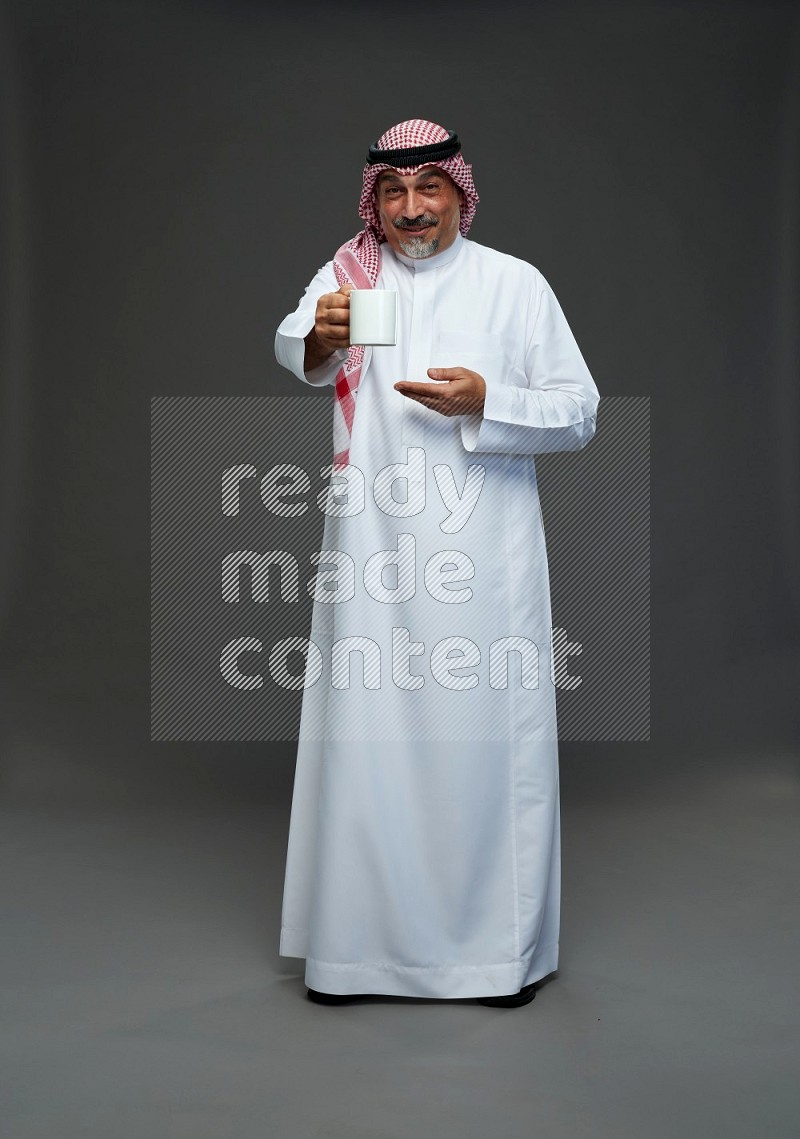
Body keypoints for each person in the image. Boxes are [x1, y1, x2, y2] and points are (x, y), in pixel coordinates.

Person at [274, 119, 600, 1008]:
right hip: (372, 556)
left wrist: (486, 400)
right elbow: (297, 347)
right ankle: (356, 956)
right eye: (394, 191)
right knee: (368, 744)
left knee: (485, 753)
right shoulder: (350, 277)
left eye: (430, 189)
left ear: (461, 192)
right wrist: (322, 337)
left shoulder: (514, 286)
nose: (412, 209)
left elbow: (579, 412)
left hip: (482, 566)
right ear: (373, 200)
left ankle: (493, 960)